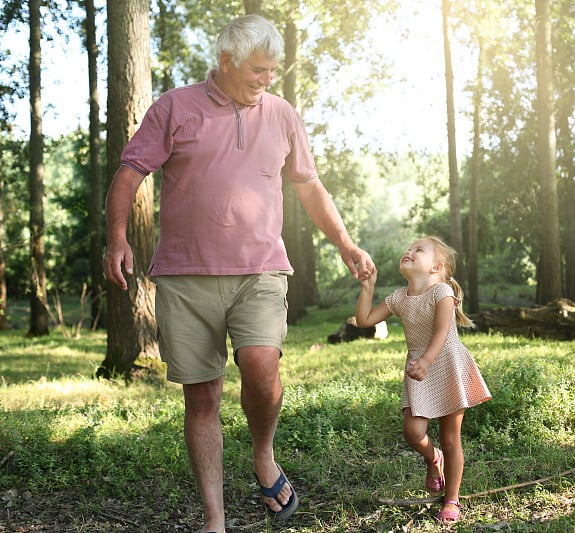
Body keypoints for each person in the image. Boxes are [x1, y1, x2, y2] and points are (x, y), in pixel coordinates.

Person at [102, 14, 374, 533]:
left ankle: (264, 455)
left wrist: (344, 242)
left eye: (272, 70)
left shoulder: (282, 114)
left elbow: (309, 186)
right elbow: (130, 172)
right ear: (226, 62)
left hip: (261, 270)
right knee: (202, 397)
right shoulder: (175, 107)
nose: (266, 79)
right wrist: (117, 237)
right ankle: (214, 518)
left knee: (261, 367)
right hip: (186, 275)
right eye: (257, 70)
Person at [355, 236, 490, 524]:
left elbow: (442, 331)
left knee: (452, 439)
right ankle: (433, 458)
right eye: (409, 248)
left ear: (436, 267)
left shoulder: (441, 292)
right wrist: (368, 286)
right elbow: (365, 319)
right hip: (420, 368)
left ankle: (452, 498)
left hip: (445, 364)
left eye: (419, 250)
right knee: (413, 433)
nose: (409, 251)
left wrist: (426, 361)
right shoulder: (398, 297)